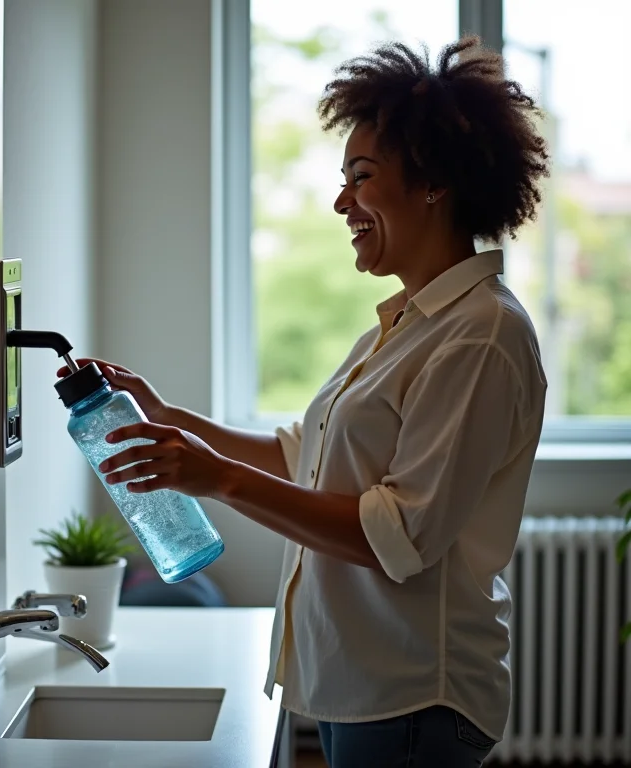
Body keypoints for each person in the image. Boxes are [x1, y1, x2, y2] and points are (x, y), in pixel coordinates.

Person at [61, 36, 548, 767]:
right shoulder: (405, 325)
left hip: (415, 694)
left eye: (362, 177)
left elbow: (397, 538)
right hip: (363, 682)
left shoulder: (481, 336)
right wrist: (169, 419)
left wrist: (217, 479)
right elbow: (306, 457)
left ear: (434, 182)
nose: (341, 201)